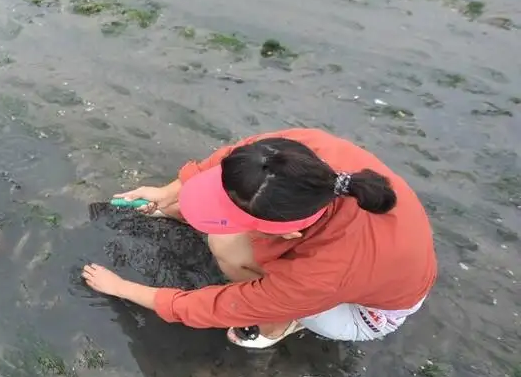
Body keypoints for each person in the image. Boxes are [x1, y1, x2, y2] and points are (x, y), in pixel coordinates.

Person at [81, 128, 438, 348]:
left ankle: (280, 324)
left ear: (289, 232)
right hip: (364, 265)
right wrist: (168, 191)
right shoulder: (296, 154)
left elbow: (216, 306)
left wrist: (123, 289)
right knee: (226, 236)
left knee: (225, 247)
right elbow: (232, 160)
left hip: (363, 312)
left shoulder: (323, 274)